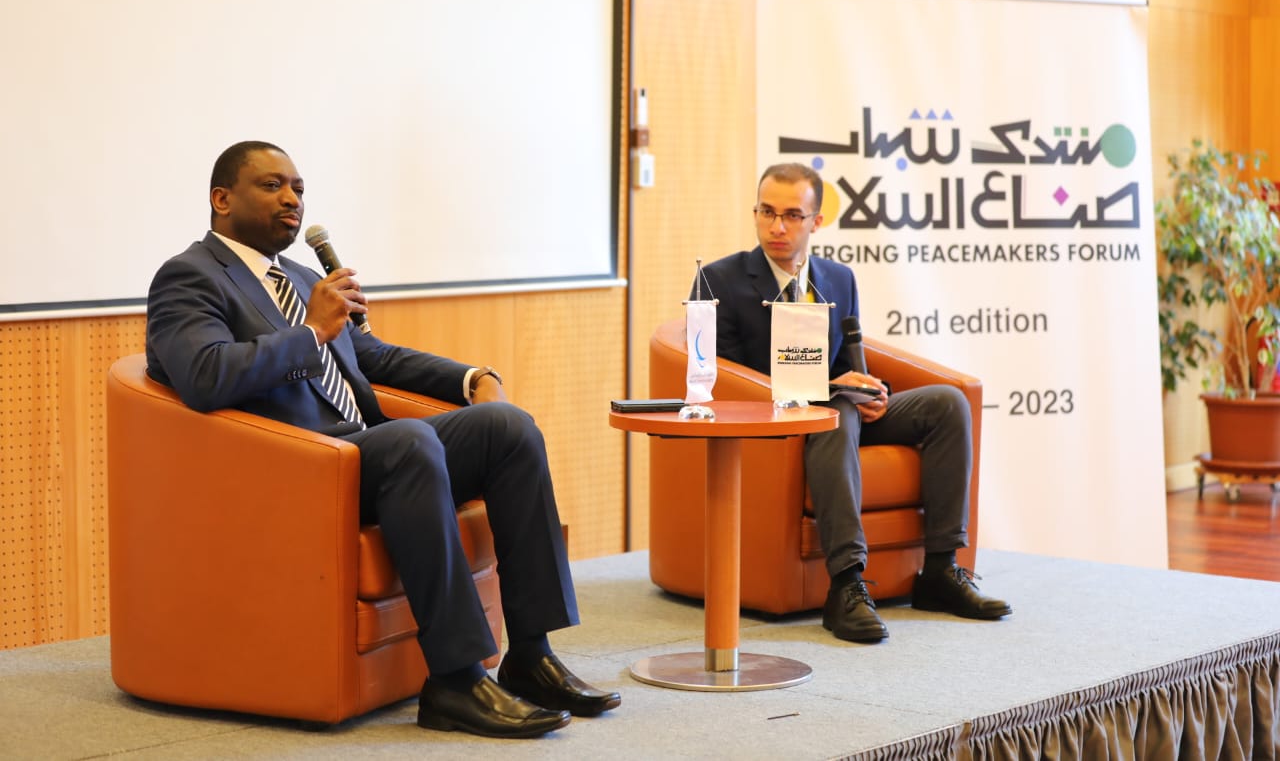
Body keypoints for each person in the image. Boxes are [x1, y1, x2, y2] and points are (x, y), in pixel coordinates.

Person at [145, 141, 620, 738]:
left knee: (508, 427)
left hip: (373, 456)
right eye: (272, 186)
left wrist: (472, 378)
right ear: (222, 199)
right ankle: (456, 680)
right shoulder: (188, 276)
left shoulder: (301, 278)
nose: (291, 199)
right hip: (297, 468)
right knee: (408, 441)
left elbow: (371, 356)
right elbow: (205, 375)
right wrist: (311, 331)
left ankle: (529, 653)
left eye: (298, 188)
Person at [695, 162, 1012, 644]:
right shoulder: (720, 281)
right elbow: (728, 378)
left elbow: (849, 362)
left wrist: (870, 391)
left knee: (947, 403)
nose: (777, 226)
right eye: (767, 212)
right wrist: (830, 390)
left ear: (816, 221)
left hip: (838, 408)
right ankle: (846, 584)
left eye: (792, 215)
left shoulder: (838, 279)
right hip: (775, 419)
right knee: (836, 410)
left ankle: (941, 571)